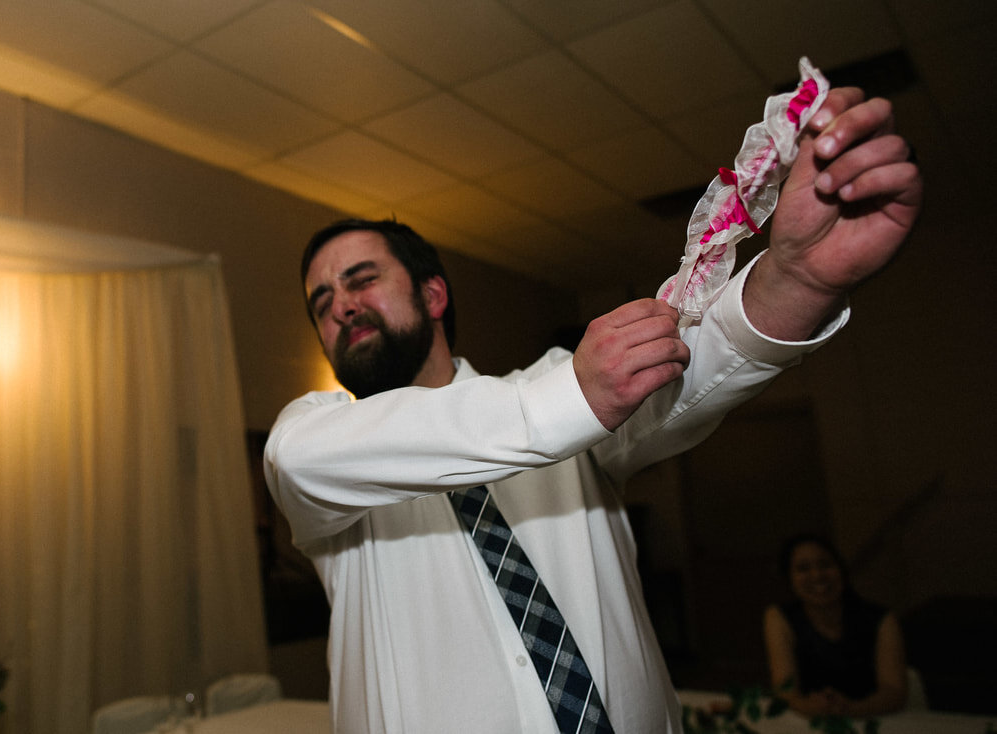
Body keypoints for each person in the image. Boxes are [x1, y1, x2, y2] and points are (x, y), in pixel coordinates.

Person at [263, 87, 922, 734]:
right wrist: (574, 397)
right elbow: (294, 458)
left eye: (361, 280)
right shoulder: (325, 455)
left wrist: (799, 279)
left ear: (434, 294)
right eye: (321, 302)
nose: (340, 305)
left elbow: (694, 363)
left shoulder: (560, 386)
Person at [763, 534, 908, 718]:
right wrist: (811, 707)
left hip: (874, 719)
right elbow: (784, 689)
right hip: (807, 723)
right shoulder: (779, 617)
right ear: (789, 578)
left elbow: (894, 692)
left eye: (825, 565)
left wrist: (850, 709)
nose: (817, 575)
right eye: (803, 569)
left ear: (840, 569)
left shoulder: (881, 619)